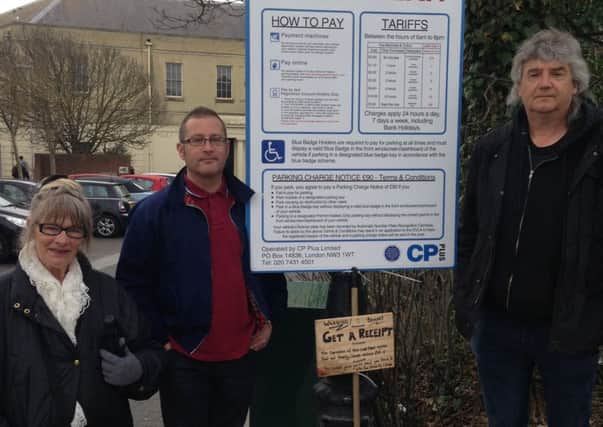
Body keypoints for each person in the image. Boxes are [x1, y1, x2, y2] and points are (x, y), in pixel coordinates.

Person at [454, 28, 603, 426]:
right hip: (498, 327)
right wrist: (468, 301)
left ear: (576, 85)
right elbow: (470, 231)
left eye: (557, 72)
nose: (545, 83)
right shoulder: (493, 149)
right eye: (534, 73)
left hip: (570, 327)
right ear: (519, 85)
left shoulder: (596, 150)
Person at [116, 106, 286, 427]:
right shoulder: (154, 213)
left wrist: (269, 317)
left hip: (241, 355)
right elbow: (131, 285)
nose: (208, 147)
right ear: (181, 149)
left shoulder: (252, 208)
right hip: (183, 358)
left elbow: (272, 271)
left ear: (227, 147)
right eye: (197, 140)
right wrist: (159, 338)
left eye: (215, 139)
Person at [0, 178, 164, 427]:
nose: (62, 240)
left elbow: (152, 350)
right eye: (52, 228)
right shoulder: (4, 296)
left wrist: (139, 368)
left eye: (74, 229)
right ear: (33, 228)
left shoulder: (107, 291)